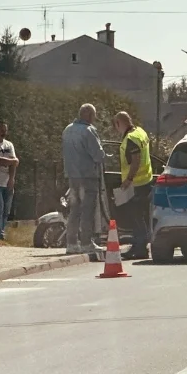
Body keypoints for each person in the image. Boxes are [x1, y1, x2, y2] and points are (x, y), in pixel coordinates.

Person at [62, 103, 106, 255]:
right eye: (94, 115)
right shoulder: (89, 131)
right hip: (87, 176)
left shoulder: (67, 130)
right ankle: (87, 242)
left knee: (74, 209)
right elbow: (98, 155)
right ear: (88, 115)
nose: (94, 118)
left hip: (72, 176)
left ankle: (71, 243)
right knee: (88, 210)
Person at [113, 111, 153, 260]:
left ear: (118, 124)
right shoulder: (140, 132)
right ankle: (139, 245)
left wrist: (128, 179)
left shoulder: (130, 139)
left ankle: (140, 247)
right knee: (139, 216)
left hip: (136, 183)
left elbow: (135, 160)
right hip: (146, 180)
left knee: (137, 217)